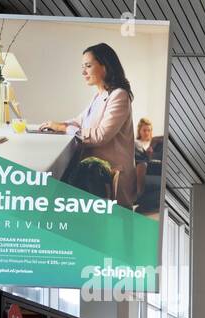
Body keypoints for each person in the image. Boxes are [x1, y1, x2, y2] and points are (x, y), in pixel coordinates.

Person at [39, 43, 138, 207]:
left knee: (56, 187)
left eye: (88, 66)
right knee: (57, 182)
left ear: (105, 66)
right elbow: (79, 121)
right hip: (93, 167)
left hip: (111, 171)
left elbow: (101, 136)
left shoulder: (119, 95)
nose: (83, 72)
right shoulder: (99, 96)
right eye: (82, 66)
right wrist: (58, 124)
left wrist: (63, 128)